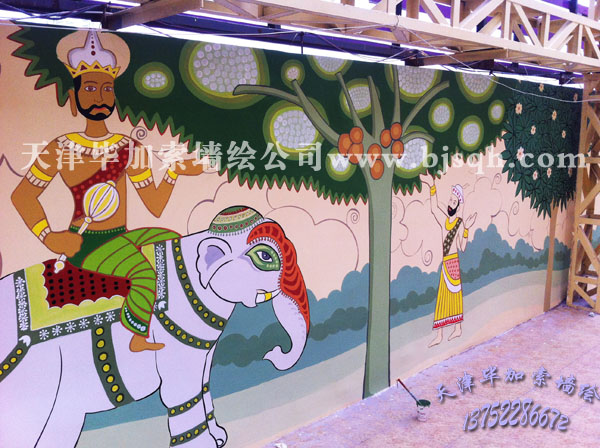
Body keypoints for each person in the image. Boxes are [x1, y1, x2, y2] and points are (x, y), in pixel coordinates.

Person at [11, 30, 206, 352]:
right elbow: (22, 196)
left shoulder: (129, 147)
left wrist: (173, 172)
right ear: (74, 97)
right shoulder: (60, 148)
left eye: (107, 89)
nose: (100, 97)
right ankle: (138, 336)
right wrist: (49, 236)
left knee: (171, 239)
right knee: (145, 275)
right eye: (90, 88)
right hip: (87, 243)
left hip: (120, 235)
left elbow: (155, 206)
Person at [424, 176, 476, 347]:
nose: (450, 204)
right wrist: (432, 185)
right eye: (450, 200)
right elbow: (433, 208)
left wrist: (466, 229)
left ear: (458, 206)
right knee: (442, 298)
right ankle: (440, 334)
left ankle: (457, 328)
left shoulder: (459, 224)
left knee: (454, 297)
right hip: (445, 263)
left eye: (454, 202)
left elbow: (462, 247)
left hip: (453, 262)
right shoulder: (444, 221)